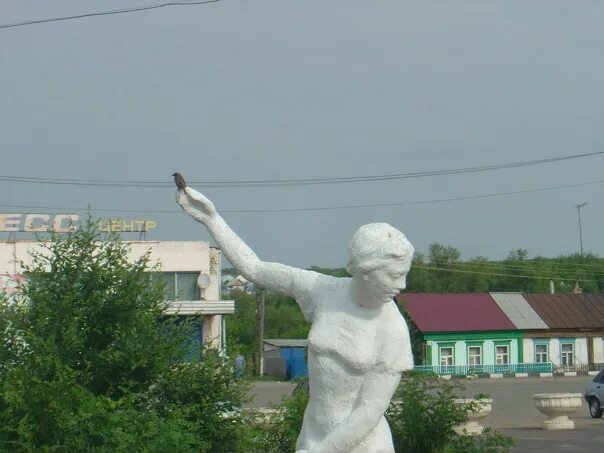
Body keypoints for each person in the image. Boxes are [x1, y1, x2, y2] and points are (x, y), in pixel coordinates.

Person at [176, 187, 414, 453]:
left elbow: (369, 411)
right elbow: (256, 268)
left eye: (404, 274)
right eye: (394, 276)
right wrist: (212, 220)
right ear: (366, 271)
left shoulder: (392, 329)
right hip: (313, 435)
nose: (401, 285)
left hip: (362, 445)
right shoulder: (323, 290)